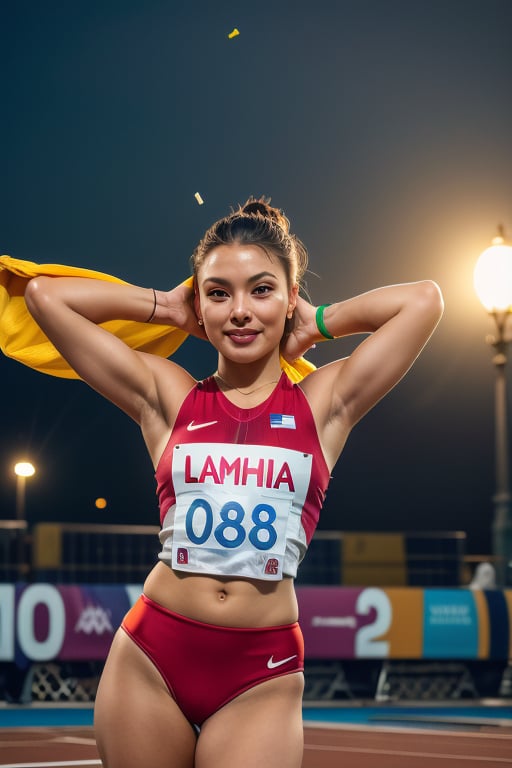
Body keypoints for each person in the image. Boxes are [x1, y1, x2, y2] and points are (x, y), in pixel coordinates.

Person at [23, 197, 443, 768]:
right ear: (201, 303)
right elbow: (45, 297)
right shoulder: (167, 396)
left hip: (261, 670)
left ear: (290, 297)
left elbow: (423, 301)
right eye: (218, 293)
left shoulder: (323, 404)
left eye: (261, 290)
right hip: (152, 654)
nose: (239, 311)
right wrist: (167, 308)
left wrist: (317, 325)